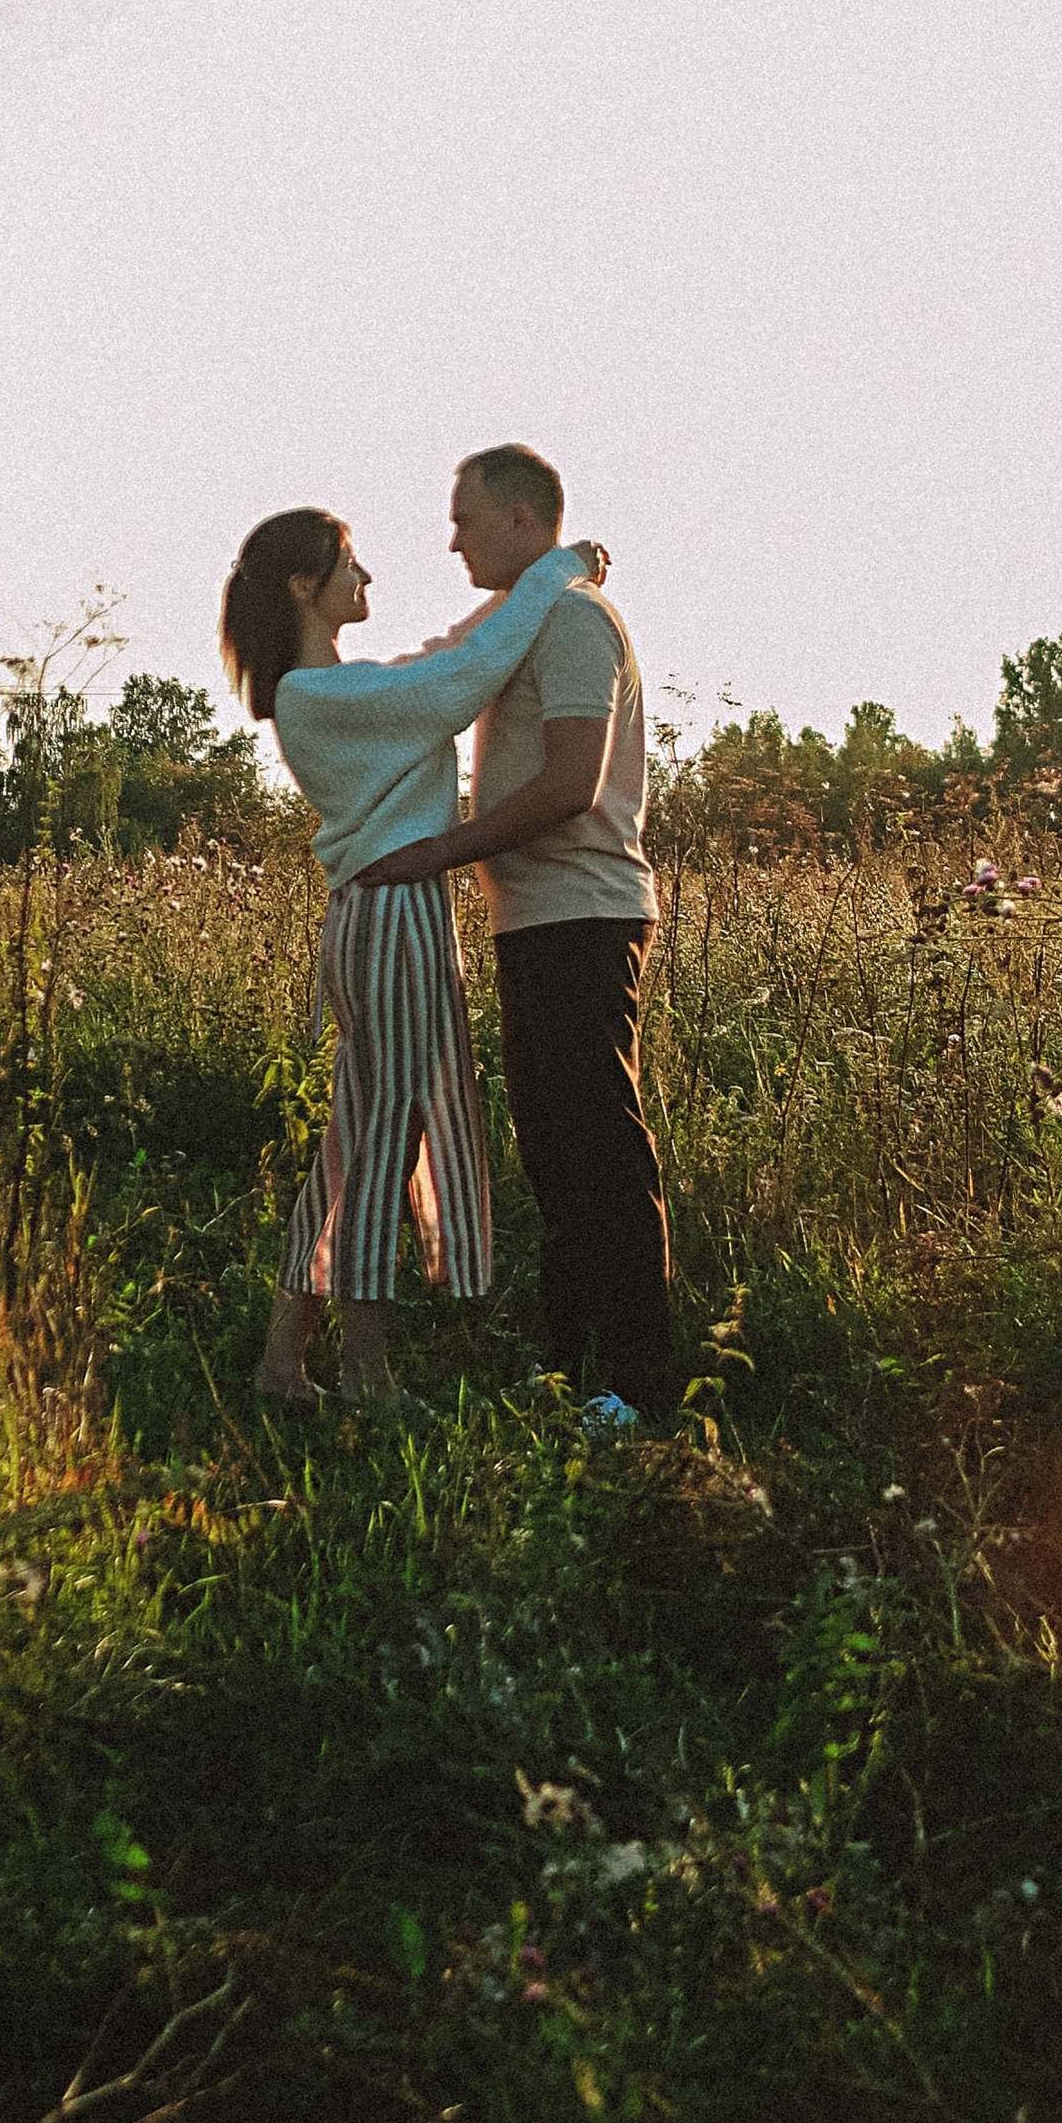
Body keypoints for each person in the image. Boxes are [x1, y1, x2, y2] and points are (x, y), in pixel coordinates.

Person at [218, 504, 601, 1416]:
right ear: (303, 588)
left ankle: (281, 1367)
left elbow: (451, 653)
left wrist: (527, 582)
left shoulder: (351, 690)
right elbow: (464, 677)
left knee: (358, 1143)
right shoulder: (321, 698)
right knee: (386, 1145)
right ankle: (366, 1376)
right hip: (391, 920)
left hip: (391, 916)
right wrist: (559, 572)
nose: (369, 577)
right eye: (349, 562)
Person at [355, 444, 672, 1432]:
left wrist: (440, 851)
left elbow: (572, 782)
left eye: (465, 518)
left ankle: (638, 1388)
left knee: (597, 1151)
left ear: (518, 519)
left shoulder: (572, 622)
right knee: (555, 1150)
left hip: (585, 912)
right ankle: (577, 1372)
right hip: (538, 917)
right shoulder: (535, 609)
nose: (451, 537)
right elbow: (450, 658)